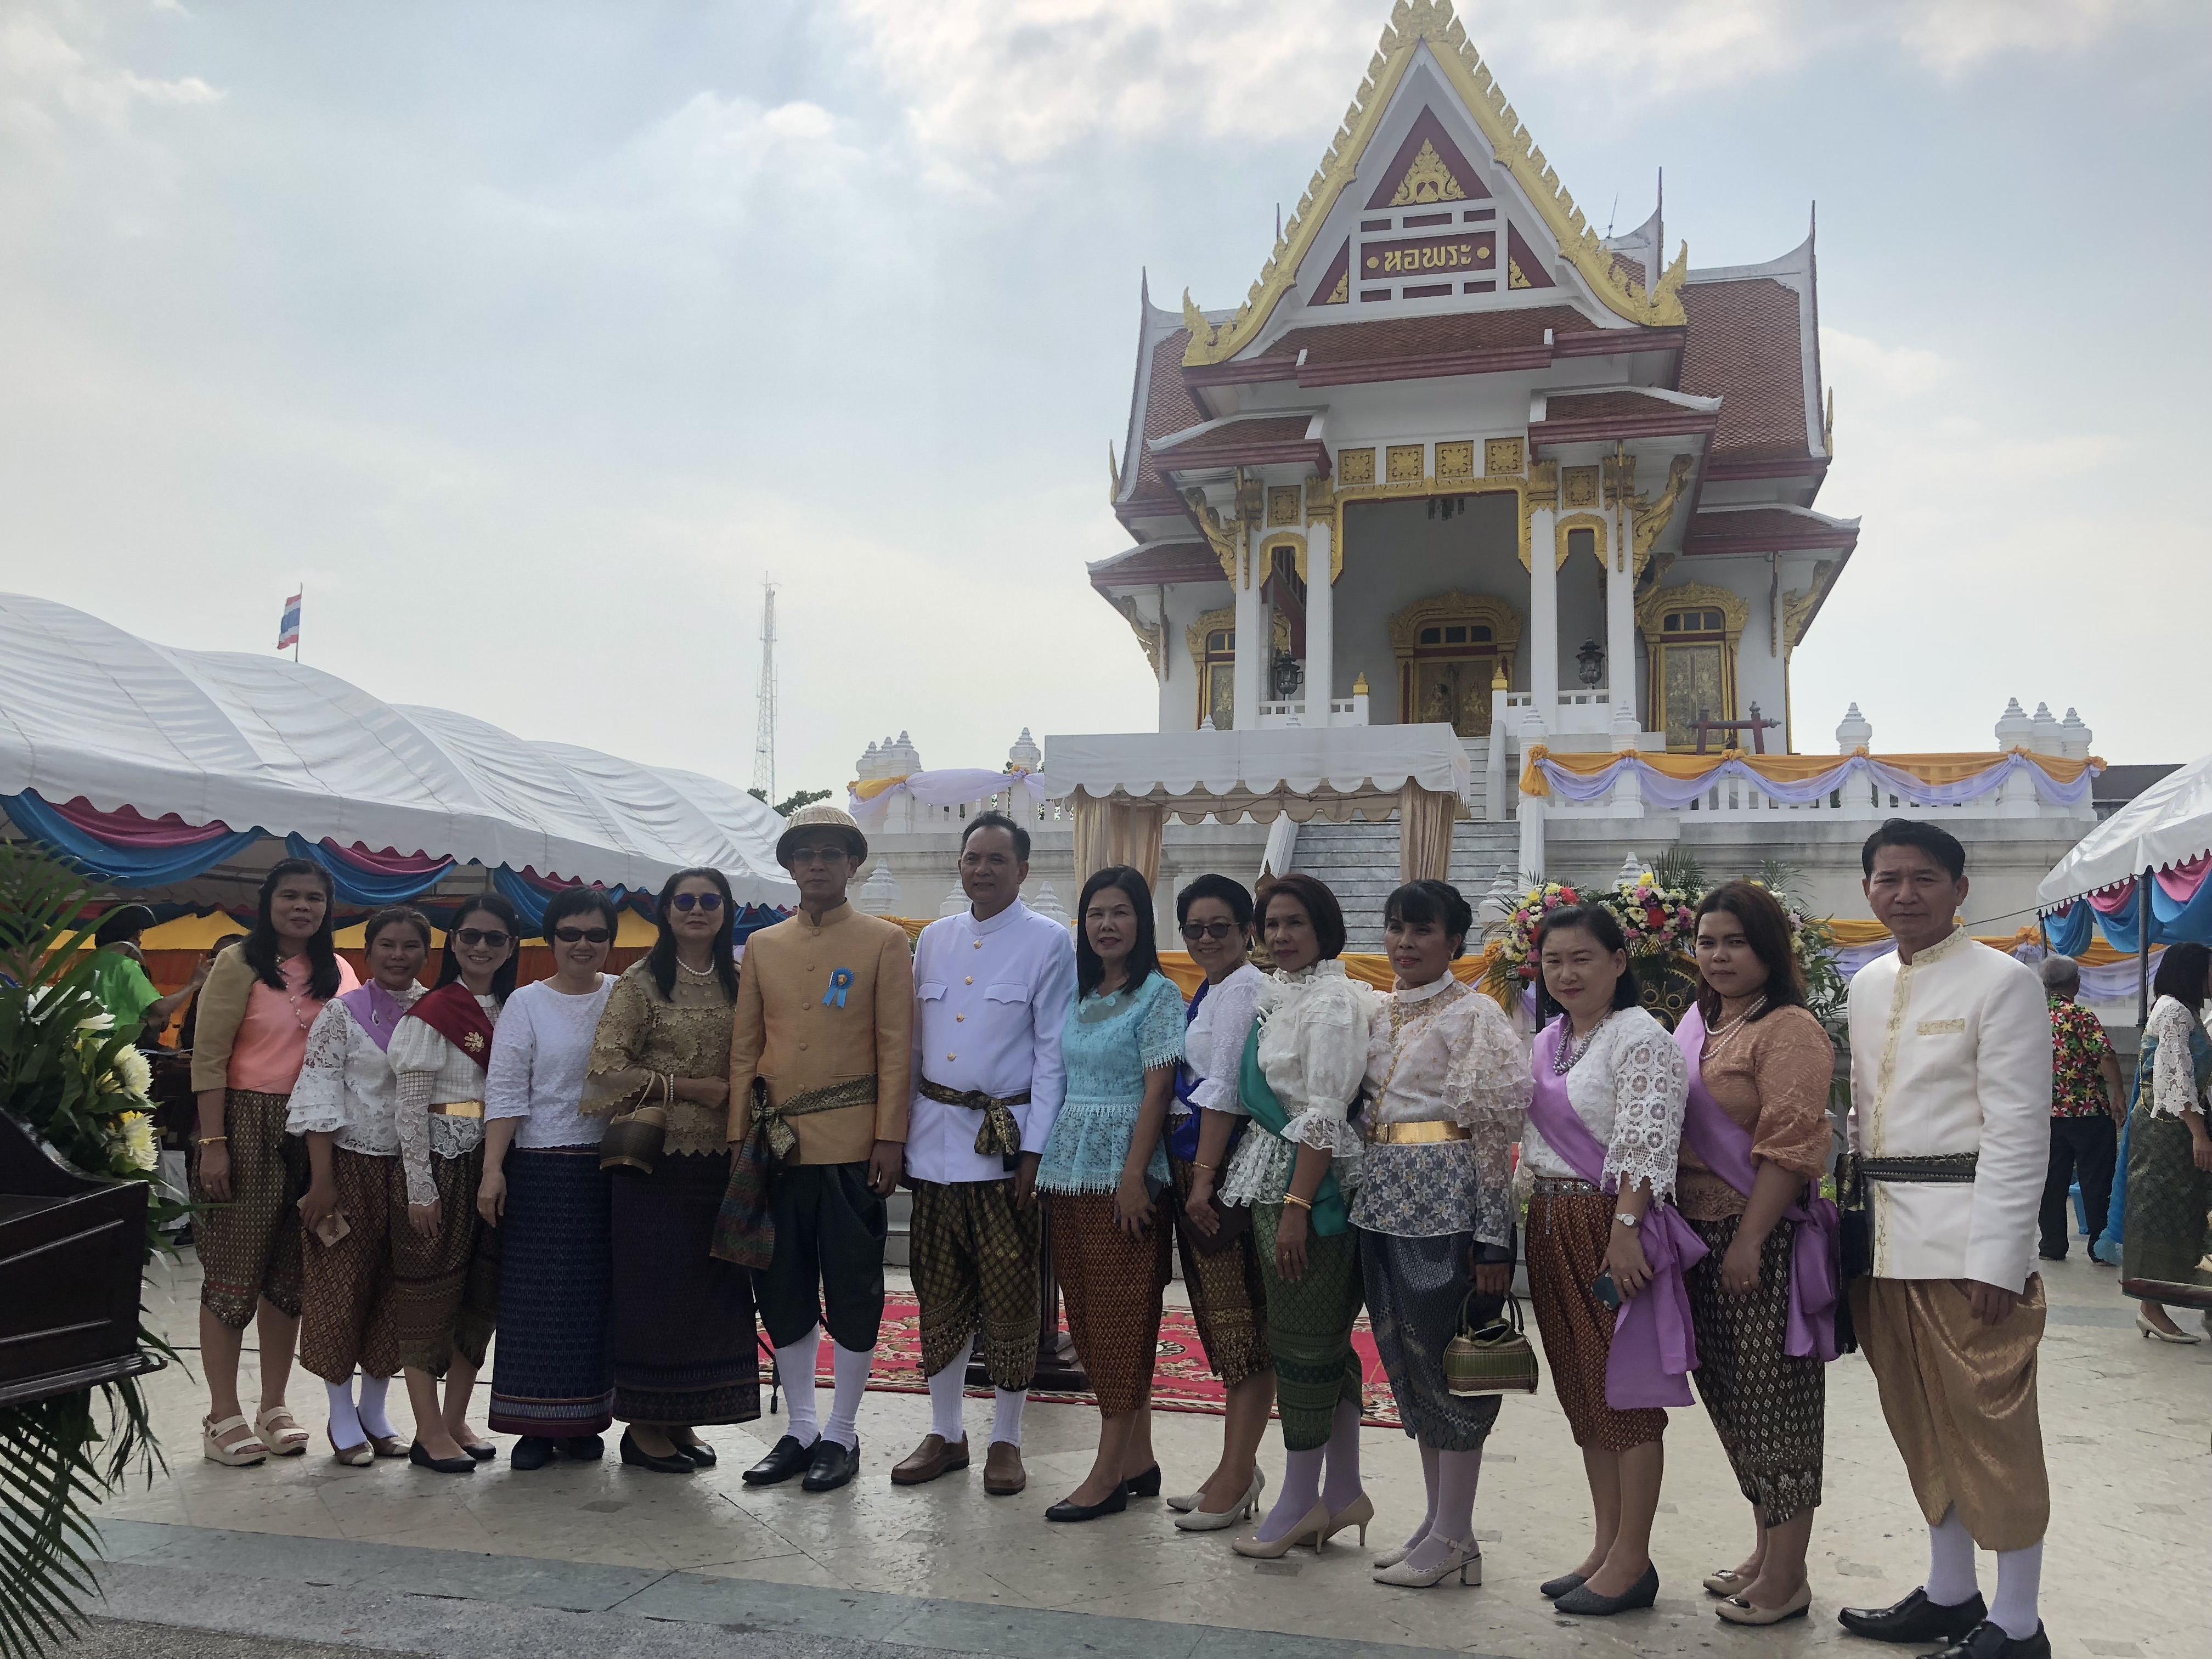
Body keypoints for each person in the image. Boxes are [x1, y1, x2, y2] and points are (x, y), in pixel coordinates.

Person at [1838, 819, 2055, 1659]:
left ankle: (2019, 1622)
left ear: (1960, 890)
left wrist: (2001, 1257)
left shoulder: (2004, 983)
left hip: (1969, 1250)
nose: (1905, 894)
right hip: (1885, 1246)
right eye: (1887, 879)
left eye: (1924, 878)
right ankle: (1952, 1592)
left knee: (1994, 1432)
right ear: (1868, 889)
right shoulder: (1866, 985)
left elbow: (2018, 1131)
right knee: (1920, 1421)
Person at [727, 804, 913, 1496]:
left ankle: (842, 1430)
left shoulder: (883, 942)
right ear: (789, 865)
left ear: (852, 865)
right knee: (782, 1287)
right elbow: (746, 1048)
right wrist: (737, 1140)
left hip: (851, 1144)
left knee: (854, 1286)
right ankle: (802, 1427)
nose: (817, 864)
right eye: (805, 854)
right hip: (776, 1147)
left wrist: (890, 1136)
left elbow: (897, 1046)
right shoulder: (764, 945)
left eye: (831, 853)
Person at [894, 811, 1074, 1499]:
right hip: (934, 1145)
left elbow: (1052, 1053)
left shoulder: (1048, 941)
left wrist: (1035, 1151)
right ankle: (945, 1432)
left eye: (997, 859)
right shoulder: (934, 939)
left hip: (1004, 1145)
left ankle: (1006, 1437)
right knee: (938, 1290)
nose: (982, 870)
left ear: (1022, 870)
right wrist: (899, 1135)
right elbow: (914, 1045)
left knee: (1009, 1293)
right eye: (973, 858)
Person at [1677, 881, 1838, 1627]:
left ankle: (1789, 1575)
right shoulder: (1702, 1023)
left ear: (1769, 948)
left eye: (1736, 942)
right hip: (1696, 1237)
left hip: (1760, 1238)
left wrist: (1748, 1239)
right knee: (1735, 1399)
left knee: (1779, 1406)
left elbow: (1792, 1144)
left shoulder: (1788, 1028)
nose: (1719, 956)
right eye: (1707, 942)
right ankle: (1766, 1549)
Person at [1523, 902, 1691, 1618]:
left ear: (1619, 963)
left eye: (1582, 959)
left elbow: (1648, 1140)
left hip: (1608, 1225)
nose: (1567, 974)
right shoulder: (1550, 1040)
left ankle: (1633, 1559)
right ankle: (1606, 1544)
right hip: (1549, 1220)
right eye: (1553, 961)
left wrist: (1625, 1230)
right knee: (1583, 1390)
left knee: (1625, 1391)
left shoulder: (1639, 1037)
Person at [1358, 881, 1527, 1590]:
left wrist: (1494, 1238)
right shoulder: (1380, 1011)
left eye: (1423, 929)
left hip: (1447, 1207)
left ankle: (1456, 1533)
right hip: (1381, 1202)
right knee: (1409, 1364)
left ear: (1454, 942)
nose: (1406, 942)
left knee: (1451, 1370)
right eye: (1397, 927)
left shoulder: (1474, 1015)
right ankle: (1438, 1523)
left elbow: (1490, 1135)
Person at [1220, 873, 1376, 1559]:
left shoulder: (1333, 1003)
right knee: (1317, 1339)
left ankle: (1300, 1498)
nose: (1280, 936)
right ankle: (1342, 1491)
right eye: (1272, 924)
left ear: (1324, 930)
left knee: (1304, 1345)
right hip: (1275, 1177)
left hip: (1309, 1189)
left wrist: (1297, 1208)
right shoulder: (1283, 994)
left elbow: (1326, 1112)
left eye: (1295, 924)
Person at [584, 866, 758, 1471]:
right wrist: (690, 1088)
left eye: (710, 899)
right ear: (665, 910)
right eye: (684, 900)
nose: (696, 909)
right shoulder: (640, 982)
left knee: (710, 1294)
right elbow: (606, 1068)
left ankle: (682, 1416)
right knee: (655, 1290)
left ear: (727, 909)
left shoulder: (741, 980)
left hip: (725, 1162)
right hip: (655, 1167)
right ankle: (643, 1427)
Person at [189, 858, 360, 1466]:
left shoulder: (339, 970)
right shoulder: (238, 963)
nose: (302, 907)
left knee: (291, 1275)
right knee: (234, 1269)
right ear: (268, 902)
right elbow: (208, 1057)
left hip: (317, 1130)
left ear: (328, 908)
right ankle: (221, 1412)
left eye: (314, 898)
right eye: (290, 895)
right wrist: (214, 1143)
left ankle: (274, 1405)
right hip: (245, 1122)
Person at [1031, 864, 1183, 1522]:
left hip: (1126, 1176)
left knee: (1122, 1319)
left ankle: (1107, 1474)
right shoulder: (1080, 994)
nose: (1107, 925)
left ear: (1142, 922)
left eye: (1120, 912)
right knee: (1088, 1317)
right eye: (1096, 913)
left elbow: (1159, 1088)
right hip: (1070, 1170)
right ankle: (1139, 1459)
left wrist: (1132, 1176)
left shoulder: (1159, 996)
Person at [479, 887, 621, 1466]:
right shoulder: (527, 1002)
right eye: (570, 934)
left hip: (609, 1168)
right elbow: (506, 1088)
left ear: (609, 941)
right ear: (551, 939)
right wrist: (493, 1169)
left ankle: (584, 1420)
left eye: (595, 935)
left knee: (592, 1301)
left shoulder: (624, 995)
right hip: (540, 1166)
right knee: (534, 1301)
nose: (582, 945)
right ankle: (532, 1426)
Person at [287, 905, 430, 1465]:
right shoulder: (341, 1014)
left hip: (413, 1170)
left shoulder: (435, 1012)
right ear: (368, 952)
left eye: (411, 945)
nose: (399, 955)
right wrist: (323, 1182)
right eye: (387, 945)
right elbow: (320, 1091)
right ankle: (340, 1412)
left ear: (426, 953)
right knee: (339, 1288)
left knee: (396, 1290)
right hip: (349, 1167)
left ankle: (375, 1410)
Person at [389, 894, 517, 1473]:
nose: (481, 947)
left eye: (494, 938)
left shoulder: (515, 1007)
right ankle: (427, 1428)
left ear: (510, 947)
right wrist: (420, 1186)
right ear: (453, 942)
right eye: (470, 936)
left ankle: (456, 1417)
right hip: (442, 1162)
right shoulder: (434, 1011)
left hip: (499, 1163)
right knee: (428, 1296)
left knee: (480, 1298)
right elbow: (410, 1107)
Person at [1167, 873, 1276, 1532]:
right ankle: (1234, 1465)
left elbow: (1226, 1090)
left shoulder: (1242, 991)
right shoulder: (1215, 987)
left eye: (1220, 928)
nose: (1206, 939)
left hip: (1222, 1170)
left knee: (1241, 1323)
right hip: (1201, 1164)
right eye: (1195, 929)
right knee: (1221, 1318)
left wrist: (1204, 1181)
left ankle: (1238, 1474)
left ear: (1246, 931)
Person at [2118, 941, 2212, 1340]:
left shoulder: (2185, 1011)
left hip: (2175, 1128)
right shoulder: (2174, 1012)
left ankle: (2184, 1301)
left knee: (2184, 1212)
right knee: (2159, 1212)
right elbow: (2175, 1078)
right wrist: (2199, 1135)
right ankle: (2151, 1306)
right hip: (2167, 1131)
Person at [2037, 955, 2122, 1267]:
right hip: (2089, 1112)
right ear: (2076, 982)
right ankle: (2099, 1247)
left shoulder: (2034, 1016)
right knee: (2096, 1179)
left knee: (2051, 1180)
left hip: (2046, 1113)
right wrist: (2119, 1093)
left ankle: (2052, 1244)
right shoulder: (2080, 1016)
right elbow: (2105, 1056)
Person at [89, 902, 209, 1041]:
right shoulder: (125, 965)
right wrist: (194, 983)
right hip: (114, 1043)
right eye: (139, 938)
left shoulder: (89, 963)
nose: (140, 944)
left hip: (86, 1041)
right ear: (134, 936)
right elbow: (161, 1008)